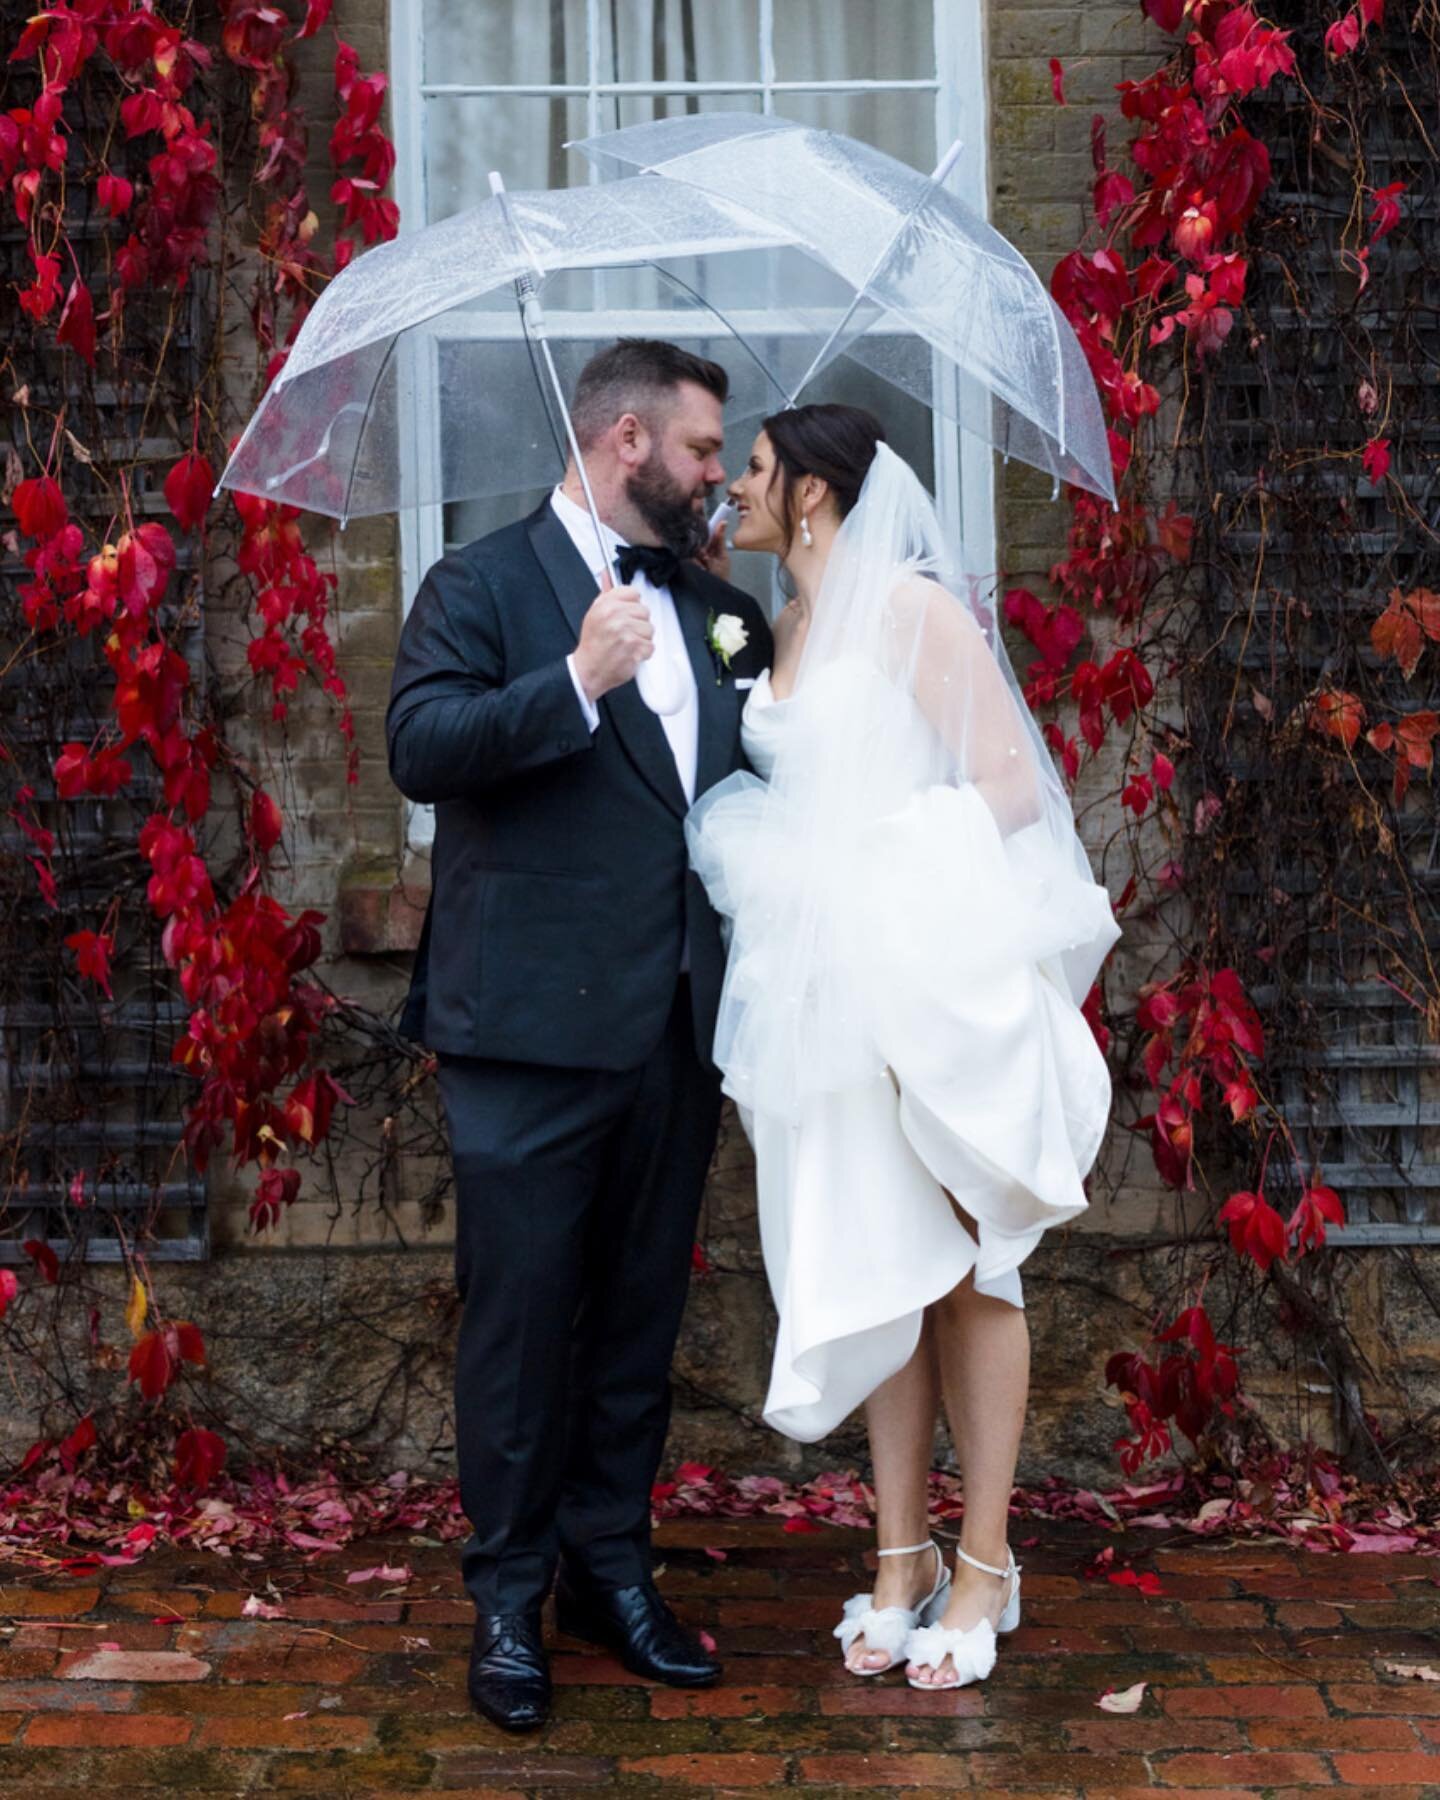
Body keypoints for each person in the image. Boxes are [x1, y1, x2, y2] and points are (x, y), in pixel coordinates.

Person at [686, 404, 1119, 1692]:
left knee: (972, 1264)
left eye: (752, 472)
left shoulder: (911, 613)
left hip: (924, 968)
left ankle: (984, 1561)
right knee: (884, 1258)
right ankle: (897, 1555)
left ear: (813, 493)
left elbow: (1009, 787)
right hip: (818, 993)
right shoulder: (781, 628)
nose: (733, 492)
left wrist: (876, 857)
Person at [386, 339, 772, 1732]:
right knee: (521, 1325)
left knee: (633, 1323)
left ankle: (612, 1571)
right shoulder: (480, 585)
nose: (717, 472)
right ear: (623, 440)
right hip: (528, 1035)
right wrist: (572, 683)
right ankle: (507, 1600)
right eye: (703, 450)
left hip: (675, 1027)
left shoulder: (719, 606)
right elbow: (420, 748)